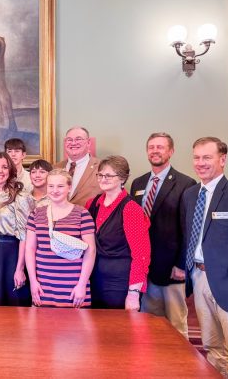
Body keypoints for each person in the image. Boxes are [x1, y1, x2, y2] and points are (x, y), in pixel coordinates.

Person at [183, 137, 228, 378]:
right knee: (212, 349)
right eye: (196, 157)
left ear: (222, 160)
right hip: (199, 278)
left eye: (207, 157)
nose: (200, 163)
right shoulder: (190, 195)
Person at [130, 133, 196, 337]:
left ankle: (181, 359)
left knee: (176, 325)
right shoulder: (138, 183)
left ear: (171, 151)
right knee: (149, 323)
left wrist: (182, 264)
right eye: (151, 147)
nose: (155, 151)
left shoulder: (186, 183)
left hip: (172, 268)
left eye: (160, 147)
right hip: (145, 266)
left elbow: (189, 228)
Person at [86, 155, 151, 310]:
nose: (103, 179)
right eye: (100, 175)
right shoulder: (92, 203)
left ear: (122, 178)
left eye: (108, 175)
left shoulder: (131, 209)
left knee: (118, 325)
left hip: (119, 283)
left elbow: (141, 254)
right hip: (94, 279)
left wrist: (133, 293)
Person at [25, 169, 96, 307]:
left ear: (69, 187)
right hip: (43, 287)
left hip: (74, 287)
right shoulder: (36, 214)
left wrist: (82, 285)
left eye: (60, 186)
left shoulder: (82, 214)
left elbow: (90, 251)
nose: (55, 190)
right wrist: (33, 281)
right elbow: (30, 249)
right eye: (51, 186)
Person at [0, 152, 32, 306]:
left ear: (11, 171)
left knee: (12, 300)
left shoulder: (20, 197)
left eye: (5, 167)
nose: (0, 171)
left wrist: (20, 268)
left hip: (11, 253)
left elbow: (25, 235)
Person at [55, 127, 102, 206]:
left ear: (88, 142)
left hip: (90, 213)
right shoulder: (55, 168)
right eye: (69, 140)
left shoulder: (101, 167)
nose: (73, 143)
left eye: (78, 139)